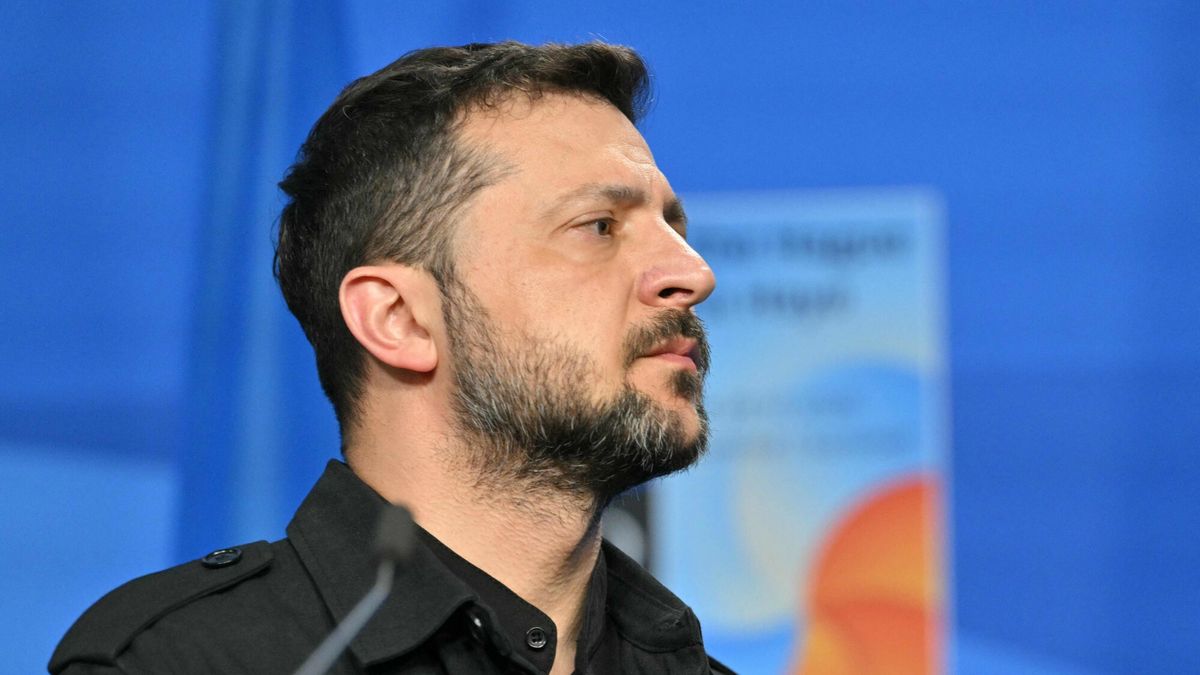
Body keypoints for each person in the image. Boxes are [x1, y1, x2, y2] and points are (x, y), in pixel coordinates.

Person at [51, 41, 729, 675]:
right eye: (599, 227)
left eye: (674, 226)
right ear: (398, 319)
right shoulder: (176, 661)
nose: (693, 272)